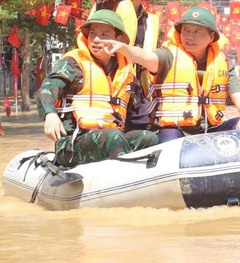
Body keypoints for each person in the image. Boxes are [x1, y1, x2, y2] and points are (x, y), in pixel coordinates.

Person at [102, 7, 240, 143]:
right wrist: (123, 48)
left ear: (211, 36)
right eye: (186, 31)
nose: (189, 36)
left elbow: (239, 96)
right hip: (176, 128)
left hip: (212, 127)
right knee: (170, 140)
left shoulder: (224, 63)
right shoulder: (167, 56)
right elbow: (145, 57)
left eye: (197, 32)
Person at [36, 10, 159, 166]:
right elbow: (47, 89)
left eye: (104, 35)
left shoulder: (126, 74)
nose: (96, 40)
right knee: (113, 137)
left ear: (118, 39)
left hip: (113, 138)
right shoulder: (73, 64)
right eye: (93, 33)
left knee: (150, 138)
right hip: (73, 143)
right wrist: (49, 115)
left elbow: (139, 113)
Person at [94, 0, 161, 130]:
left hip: (138, 88)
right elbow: (102, 3)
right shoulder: (111, 8)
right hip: (110, 83)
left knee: (151, 131)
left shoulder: (151, 20)